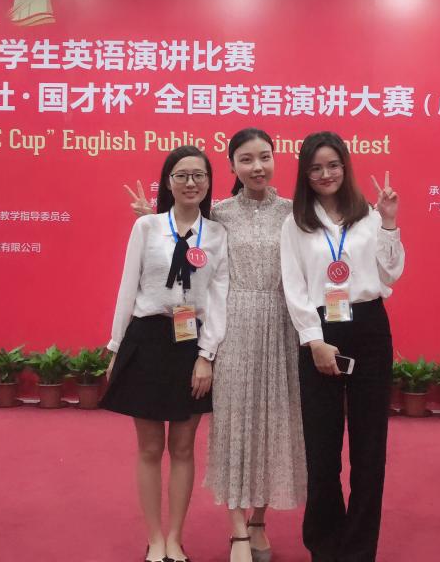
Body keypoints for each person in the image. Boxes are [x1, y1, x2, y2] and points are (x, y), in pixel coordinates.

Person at [126, 128, 306, 562]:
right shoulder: (220, 214)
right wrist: (152, 217)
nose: (257, 166)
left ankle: (259, 521)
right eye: (246, 159)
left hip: (280, 325)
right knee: (232, 425)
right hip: (231, 326)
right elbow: (183, 231)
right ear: (231, 167)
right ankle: (237, 528)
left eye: (265, 157)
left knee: (274, 423)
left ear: (275, 158)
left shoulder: (294, 213)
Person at [279, 131, 404, 562]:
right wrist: (313, 341)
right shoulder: (295, 223)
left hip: (368, 328)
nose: (325, 174)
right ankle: (325, 545)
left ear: (345, 167)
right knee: (322, 448)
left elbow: (390, 274)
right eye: (315, 168)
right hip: (320, 330)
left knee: (369, 448)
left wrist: (389, 222)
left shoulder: (369, 215)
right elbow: (294, 287)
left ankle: (359, 549)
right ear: (305, 174)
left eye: (333, 165)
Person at [102, 145, 230, 562]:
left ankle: (175, 537)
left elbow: (219, 298)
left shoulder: (217, 235)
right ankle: (154, 539)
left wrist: (207, 355)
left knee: (184, 447)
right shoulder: (147, 227)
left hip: (191, 343)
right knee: (149, 448)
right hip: (148, 338)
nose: (191, 183)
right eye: (181, 175)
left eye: (198, 175)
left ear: (208, 182)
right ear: (168, 182)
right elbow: (127, 288)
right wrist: (116, 347)